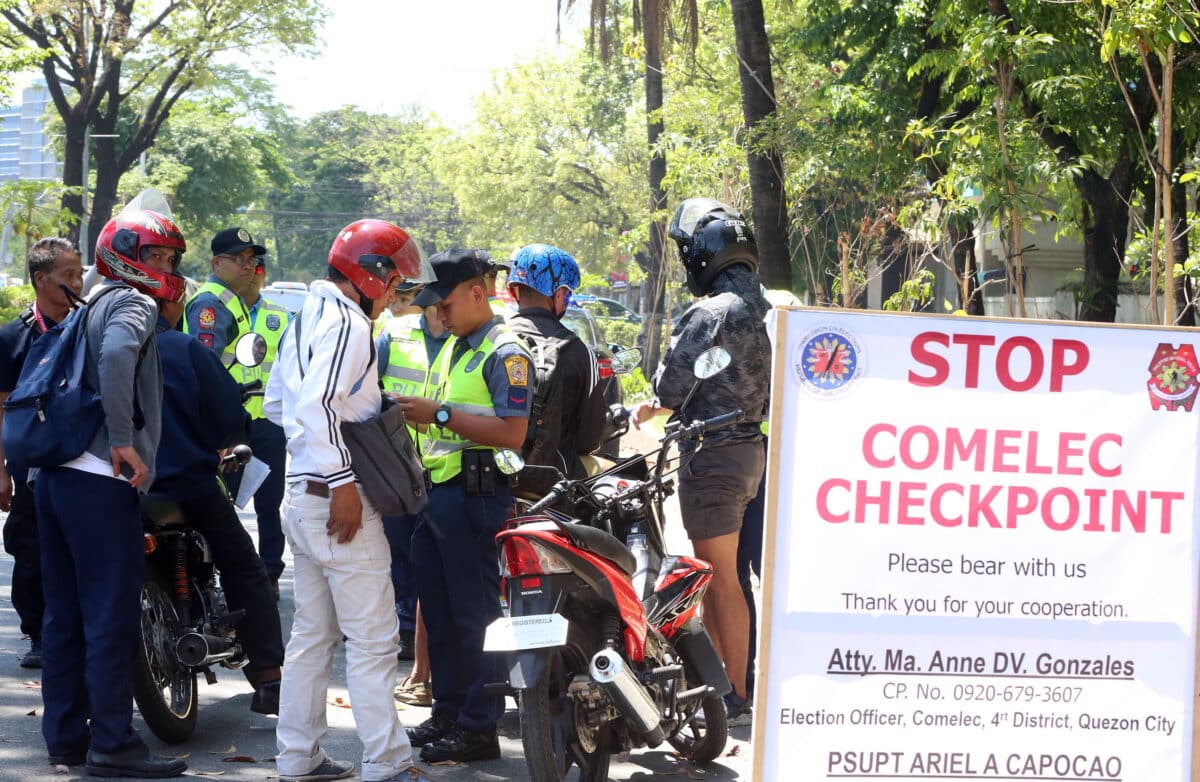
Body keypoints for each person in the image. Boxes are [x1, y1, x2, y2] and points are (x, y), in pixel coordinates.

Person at [264, 219, 429, 782]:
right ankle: (387, 761)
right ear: (370, 274)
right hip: (339, 498)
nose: (396, 294)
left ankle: (298, 757)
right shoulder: (348, 322)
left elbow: (276, 406)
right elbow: (315, 407)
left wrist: (316, 470)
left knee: (312, 636)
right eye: (394, 281)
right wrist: (340, 484)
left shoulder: (306, 312)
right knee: (374, 639)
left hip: (301, 494)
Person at [35, 210, 186, 777]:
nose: (167, 268)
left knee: (65, 618)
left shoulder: (91, 300)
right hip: (99, 478)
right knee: (108, 615)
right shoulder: (130, 302)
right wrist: (123, 440)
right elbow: (120, 355)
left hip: (55, 477)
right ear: (125, 252)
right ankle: (114, 746)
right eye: (157, 256)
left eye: (171, 259)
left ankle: (66, 740)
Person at [633, 198, 770, 725]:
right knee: (732, 575)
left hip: (713, 455)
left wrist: (644, 410)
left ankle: (730, 695)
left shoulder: (711, 312)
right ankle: (729, 687)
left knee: (720, 579)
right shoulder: (767, 308)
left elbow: (671, 388)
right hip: (754, 454)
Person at [394, 249, 533, 764]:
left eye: (446, 304)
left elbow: (513, 434)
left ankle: (479, 727)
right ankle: (450, 712)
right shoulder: (457, 347)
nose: (439, 315)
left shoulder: (506, 351)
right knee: (443, 611)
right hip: (438, 494)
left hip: (476, 498)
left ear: (478, 292)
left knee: (475, 616)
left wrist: (442, 414)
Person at [148, 247, 285, 715]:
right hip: (189, 485)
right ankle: (269, 677)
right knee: (245, 566)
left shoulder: (99, 346)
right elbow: (229, 417)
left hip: (123, 492)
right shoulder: (183, 348)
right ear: (171, 305)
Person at [0, 238, 83, 669]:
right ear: (40, 279)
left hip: (80, 461)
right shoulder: (13, 337)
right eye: (68, 275)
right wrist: (1, 471)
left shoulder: (88, 328)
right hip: (30, 464)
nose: (77, 282)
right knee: (30, 549)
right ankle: (37, 633)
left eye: (80, 273)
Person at [375, 296, 449, 666]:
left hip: (444, 467)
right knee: (398, 547)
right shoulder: (395, 334)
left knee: (432, 554)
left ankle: (429, 635)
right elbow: (366, 392)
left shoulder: (466, 339)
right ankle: (403, 628)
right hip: (397, 463)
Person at [505, 243, 606, 480]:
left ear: (514, 291)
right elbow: (589, 438)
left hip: (490, 479)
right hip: (551, 481)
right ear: (559, 294)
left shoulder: (491, 339)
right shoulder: (579, 351)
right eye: (567, 295)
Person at [225, 253, 290, 598]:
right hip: (231, 422)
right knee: (225, 499)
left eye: (259, 269)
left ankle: (270, 572)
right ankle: (230, 569)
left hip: (267, 423)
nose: (253, 275)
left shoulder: (281, 316)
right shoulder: (221, 312)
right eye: (247, 267)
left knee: (269, 503)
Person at [184, 226, 264, 361]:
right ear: (216, 263)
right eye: (239, 259)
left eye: (251, 259)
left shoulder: (231, 298)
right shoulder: (210, 303)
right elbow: (205, 366)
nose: (248, 266)